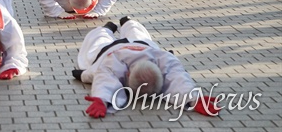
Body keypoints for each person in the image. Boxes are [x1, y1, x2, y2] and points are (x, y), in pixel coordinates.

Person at [74, 17, 220, 118]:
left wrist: (102, 98)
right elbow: (179, 79)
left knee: (99, 38)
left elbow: (102, 78)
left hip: (121, 47)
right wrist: (193, 98)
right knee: (127, 36)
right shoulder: (164, 58)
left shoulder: (163, 58)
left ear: (128, 74)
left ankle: (116, 26)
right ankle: (122, 24)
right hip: (122, 47)